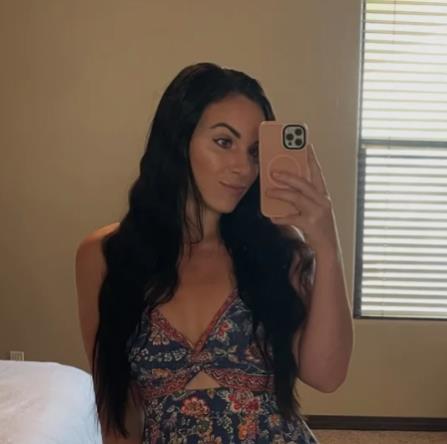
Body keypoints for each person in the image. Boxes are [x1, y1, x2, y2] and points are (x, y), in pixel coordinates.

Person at [75, 62, 353, 443]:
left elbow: (326, 375)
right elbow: (117, 407)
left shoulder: (277, 248)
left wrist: (327, 245)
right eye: (224, 142)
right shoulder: (104, 256)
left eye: (254, 151)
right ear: (179, 140)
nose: (243, 167)